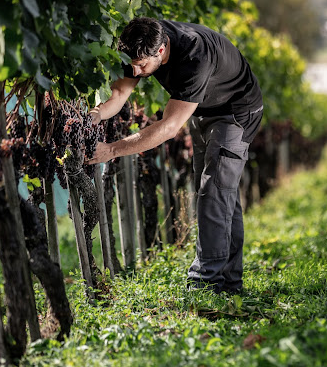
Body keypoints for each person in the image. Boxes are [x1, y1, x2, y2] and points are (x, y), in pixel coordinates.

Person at [87, 17, 263, 295]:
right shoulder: (141, 40)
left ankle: (205, 282)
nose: (136, 70)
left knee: (213, 193)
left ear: (161, 51)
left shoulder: (195, 54)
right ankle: (230, 283)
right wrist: (94, 115)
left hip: (236, 110)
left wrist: (111, 150)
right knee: (221, 193)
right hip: (202, 109)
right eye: (132, 63)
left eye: (142, 65)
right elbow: (119, 95)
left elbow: (169, 128)